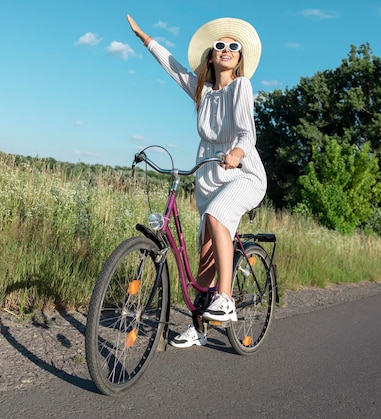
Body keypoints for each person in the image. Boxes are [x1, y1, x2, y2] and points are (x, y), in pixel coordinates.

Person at [127, 15, 267, 348]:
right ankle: (200, 327)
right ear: (211, 55)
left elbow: (249, 134)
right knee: (205, 255)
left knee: (219, 217)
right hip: (208, 177)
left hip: (242, 173)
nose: (227, 49)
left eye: (234, 46)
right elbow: (174, 67)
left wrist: (235, 153)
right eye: (221, 45)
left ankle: (226, 297)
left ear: (240, 57)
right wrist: (145, 38)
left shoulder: (241, 86)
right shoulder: (201, 91)